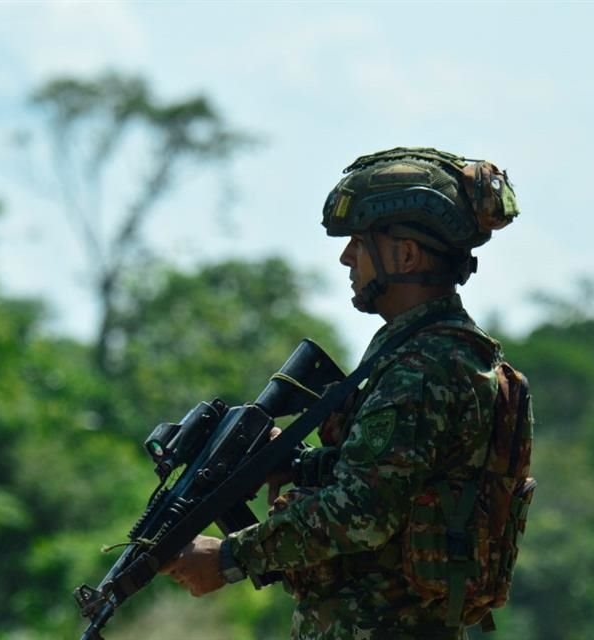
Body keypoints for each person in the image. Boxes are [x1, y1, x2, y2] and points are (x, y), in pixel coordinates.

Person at [161, 147, 525, 639]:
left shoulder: (421, 368)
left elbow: (362, 513)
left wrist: (227, 557)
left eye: (360, 241)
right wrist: (294, 464)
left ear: (406, 254)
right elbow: (406, 482)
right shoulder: (430, 352)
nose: (346, 256)